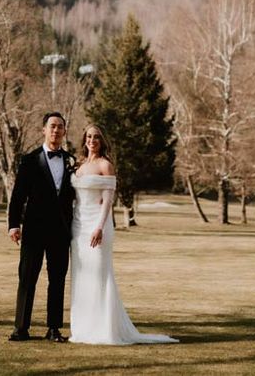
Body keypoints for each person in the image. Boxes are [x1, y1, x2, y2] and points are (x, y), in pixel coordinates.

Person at [69, 124, 177, 345]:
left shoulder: (105, 165)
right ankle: (82, 328)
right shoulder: (78, 165)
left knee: (100, 274)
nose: (92, 140)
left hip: (98, 225)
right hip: (78, 226)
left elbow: (108, 200)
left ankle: (104, 329)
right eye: (88, 136)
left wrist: (99, 226)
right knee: (81, 277)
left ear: (102, 140)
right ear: (84, 139)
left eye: (96, 137)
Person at [7, 112, 75, 342]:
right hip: (34, 230)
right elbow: (18, 196)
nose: (56, 130)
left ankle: (54, 329)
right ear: (43, 130)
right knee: (27, 278)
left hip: (61, 231)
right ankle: (20, 328)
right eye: (52, 126)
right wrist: (13, 224)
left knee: (57, 280)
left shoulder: (71, 161)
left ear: (64, 132)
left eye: (60, 127)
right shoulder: (29, 160)